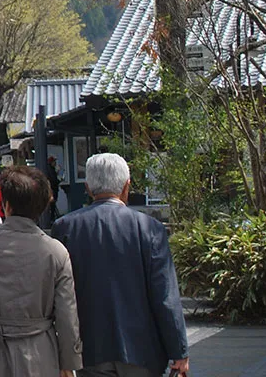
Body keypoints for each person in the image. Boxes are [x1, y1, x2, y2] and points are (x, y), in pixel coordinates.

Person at [51, 153, 189, 377]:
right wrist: (179, 351)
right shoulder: (150, 228)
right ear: (127, 186)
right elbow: (165, 296)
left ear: (87, 188)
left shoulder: (65, 228)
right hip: (142, 351)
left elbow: (58, 294)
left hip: (88, 349)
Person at [0, 166, 82, 377]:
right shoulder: (56, 252)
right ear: (42, 206)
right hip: (40, 352)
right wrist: (68, 363)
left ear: (6, 205)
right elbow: (67, 314)